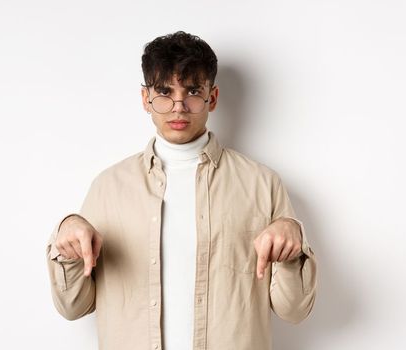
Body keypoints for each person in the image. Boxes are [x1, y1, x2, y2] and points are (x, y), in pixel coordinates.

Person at [44, 31, 318, 350]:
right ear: (146, 98)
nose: (178, 107)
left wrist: (291, 244)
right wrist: (66, 240)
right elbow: (73, 307)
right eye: (164, 92)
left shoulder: (262, 183)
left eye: (192, 91)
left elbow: (295, 310)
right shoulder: (108, 187)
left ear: (211, 98)